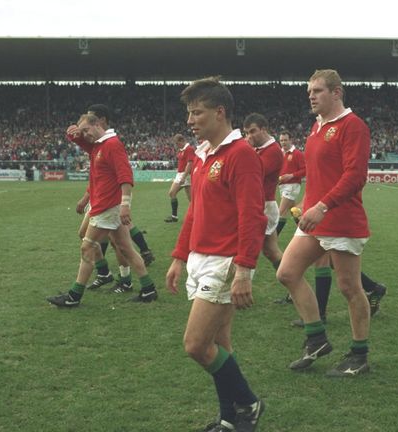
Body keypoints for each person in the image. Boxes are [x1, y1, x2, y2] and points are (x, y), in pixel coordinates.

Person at [165, 77, 266, 432]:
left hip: (225, 262)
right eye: (189, 113)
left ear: (220, 112)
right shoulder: (203, 154)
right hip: (200, 259)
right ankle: (229, 418)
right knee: (219, 344)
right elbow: (194, 212)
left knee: (195, 345)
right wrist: (179, 257)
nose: (190, 121)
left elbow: (252, 216)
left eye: (197, 113)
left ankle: (250, 404)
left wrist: (243, 270)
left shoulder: (241, 155)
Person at [276, 69, 372, 377]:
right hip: (315, 218)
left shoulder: (353, 126)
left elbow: (355, 176)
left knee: (349, 288)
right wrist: (310, 202)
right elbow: (320, 174)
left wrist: (323, 204)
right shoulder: (316, 128)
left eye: (317, 91)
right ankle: (316, 339)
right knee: (287, 273)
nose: (311, 96)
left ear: (336, 93)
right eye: (309, 92)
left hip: (341, 219)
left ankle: (359, 355)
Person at [46, 113, 157, 307]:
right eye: (83, 132)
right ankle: (149, 290)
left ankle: (74, 297)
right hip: (106, 205)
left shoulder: (112, 145)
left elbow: (125, 176)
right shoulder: (99, 145)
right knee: (126, 249)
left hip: (107, 206)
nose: (85, 135)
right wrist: (74, 134)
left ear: (97, 124)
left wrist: (125, 205)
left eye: (87, 130)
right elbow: (85, 144)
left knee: (87, 247)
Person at [243, 113, 285, 272]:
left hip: (263, 206)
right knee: (271, 251)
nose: (249, 136)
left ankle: (242, 284)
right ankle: (293, 283)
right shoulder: (261, 149)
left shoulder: (272, 151)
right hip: (263, 205)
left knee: (247, 250)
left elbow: (254, 174)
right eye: (246, 133)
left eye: (253, 131)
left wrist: (246, 149)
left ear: (264, 129)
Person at [275, 131, 306, 236]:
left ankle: (273, 238)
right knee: (294, 211)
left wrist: (291, 175)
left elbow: (305, 170)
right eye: (281, 140)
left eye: (285, 140)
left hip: (292, 186)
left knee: (281, 212)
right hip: (282, 186)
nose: (283, 142)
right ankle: (306, 231)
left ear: (291, 140)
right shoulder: (279, 154)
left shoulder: (297, 154)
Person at [164, 133, 194, 223]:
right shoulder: (182, 150)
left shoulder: (189, 149)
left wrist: (184, 177)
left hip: (185, 175)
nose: (176, 145)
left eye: (177, 143)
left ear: (182, 141)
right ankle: (175, 216)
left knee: (173, 193)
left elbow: (190, 163)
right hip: (181, 174)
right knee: (191, 199)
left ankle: (175, 217)